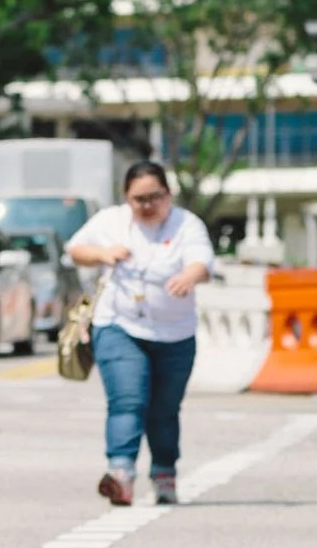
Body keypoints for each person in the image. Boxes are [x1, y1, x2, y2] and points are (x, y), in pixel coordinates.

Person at [67, 161, 214, 507]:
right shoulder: (111, 221)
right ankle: (120, 475)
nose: (147, 205)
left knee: (164, 409)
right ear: (126, 199)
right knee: (127, 401)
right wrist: (103, 253)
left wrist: (190, 276)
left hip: (175, 334)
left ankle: (164, 474)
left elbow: (203, 262)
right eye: (139, 199)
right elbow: (75, 250)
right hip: (120, 326)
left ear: (169, 194)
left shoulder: (186, 225)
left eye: (155, 197)